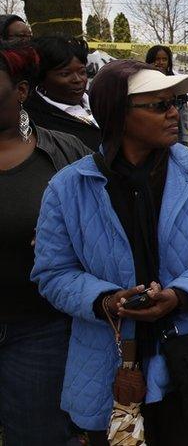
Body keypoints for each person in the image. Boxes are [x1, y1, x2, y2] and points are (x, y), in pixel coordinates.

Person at [31, 59, 188, 443]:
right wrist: (104, 300)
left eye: (175, 104)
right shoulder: (69, 188)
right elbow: (53, 272)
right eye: (158, 105)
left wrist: (180, 294)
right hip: (108, 363)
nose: (173, 114)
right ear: (118, 115)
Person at [0, 43, 88, 445]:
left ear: (20, 90)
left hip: (39, 331)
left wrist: (70, 236)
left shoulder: (66, 153)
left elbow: (108, 220)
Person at [23, 36, 101, 150]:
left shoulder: (101, 100)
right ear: (41, 77)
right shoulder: (32, 121)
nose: (78, 79)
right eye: (65, 74)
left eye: (82, 72)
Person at [146, 45, 188, 145]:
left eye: (164, 59)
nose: (161, 62)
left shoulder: (177, 84)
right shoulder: (143, 83)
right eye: (157, 59)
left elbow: (183, 114)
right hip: (150, 135)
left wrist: (184, 139)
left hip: (173, 137)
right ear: (150, 61)